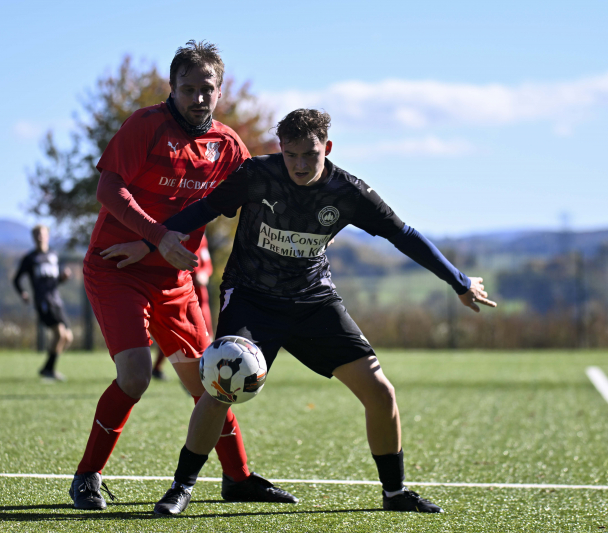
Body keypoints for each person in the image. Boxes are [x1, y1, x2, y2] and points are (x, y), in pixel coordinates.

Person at [112, 108, 498, 515]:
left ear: (326, 149)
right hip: (251, 299)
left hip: (314, 301)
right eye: (291, 153)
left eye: (309, 155)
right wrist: (150, 241)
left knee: (380, 391)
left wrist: (459, 280)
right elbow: (201, 210)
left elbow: (404, 235)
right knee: (220, 387)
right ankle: (181, 487)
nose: (299, 164)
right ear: (280, 149)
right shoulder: (257, 174)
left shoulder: (349, 192)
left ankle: (395, 492)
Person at [69, 40, 296, 510]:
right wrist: (154, 237)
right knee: (134, 377)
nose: (197, 97)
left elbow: (235, 204)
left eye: (205, 89)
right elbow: (108, 190)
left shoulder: (228, 147)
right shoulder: (145, 126)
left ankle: (238, 478)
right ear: (171, 89)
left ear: (219, 90)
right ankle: (87, 476)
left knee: (215, 383)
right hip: (118, 269)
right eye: (187, 88)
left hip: (175, 282)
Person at [13, 224, 73, 380]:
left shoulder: (53, 255)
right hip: (43, 301)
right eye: (37, 234)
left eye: (43, 233)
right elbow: (16, 279)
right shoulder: (30, 258)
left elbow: (54, 281)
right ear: (33, 237)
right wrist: (23, 293)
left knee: (68, 338)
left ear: (48, 236)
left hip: (56, 300)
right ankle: (49, 370)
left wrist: (63, 278)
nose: (40, 237)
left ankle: (48, 367)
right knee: (59, 334)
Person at [151, 236, 214, 381]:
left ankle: (204, 374)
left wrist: (205, 273)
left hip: (199, 295)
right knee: (172, 333)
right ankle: (159, 368)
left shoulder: (202, 237)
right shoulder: (175, 231)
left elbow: (207, 262)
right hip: (177, 290)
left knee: (205, 336)